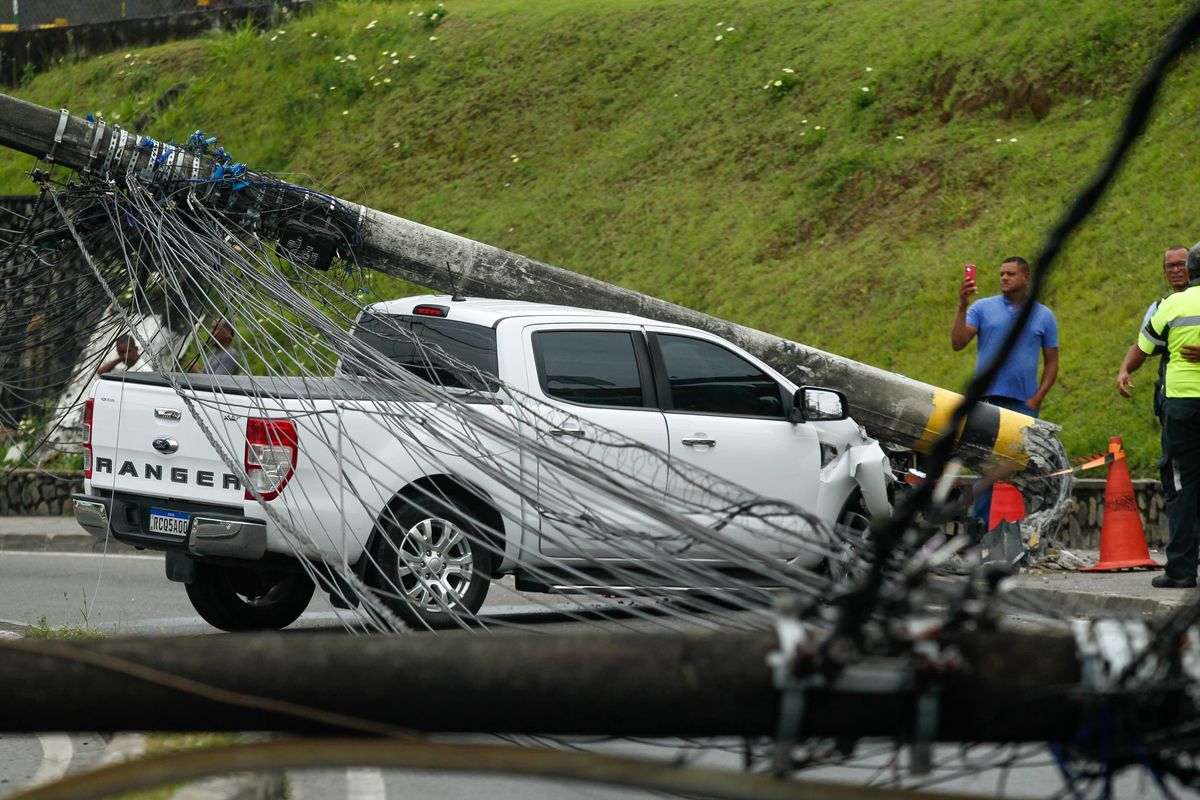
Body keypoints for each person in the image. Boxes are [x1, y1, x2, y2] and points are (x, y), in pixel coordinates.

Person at [951, 256, 1059, 527]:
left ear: (1026, 278)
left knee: (1029, 469)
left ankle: (1030, 529)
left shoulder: (1043, 315)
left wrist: (1037, 398)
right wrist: (962, 305)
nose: (1004, 278)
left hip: (1024, 405)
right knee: (985, 467)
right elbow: (958, 343)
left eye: (1011, 274)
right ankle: (979, 529)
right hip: (987, 403)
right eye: (1001, 273)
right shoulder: (982, 308)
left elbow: (1052, 363)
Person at [1138, 242, 1200, 588]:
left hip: (1182, 409)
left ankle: (1181, 570)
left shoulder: (1172, 305)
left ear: (1190, 271)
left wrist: (1123, 370)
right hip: (1179, 408)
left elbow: (1144, 347)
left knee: (1181, 487)